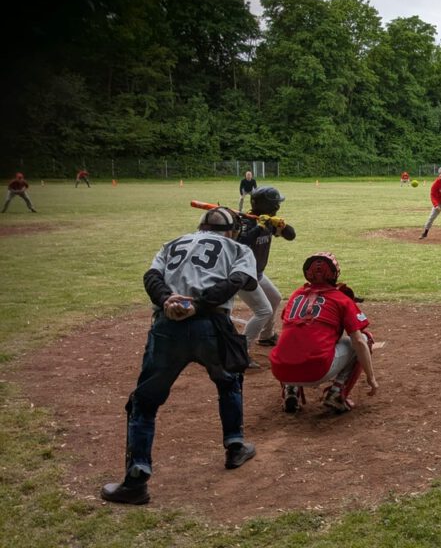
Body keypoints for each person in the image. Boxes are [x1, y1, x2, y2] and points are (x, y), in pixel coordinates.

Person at [100, 207, 259, 505]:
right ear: (231, 230)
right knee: (228, 382)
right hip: (212, 325)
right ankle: (235, 447)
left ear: (200, 226)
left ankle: (135, 482)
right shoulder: (238, 248)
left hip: (168, 327)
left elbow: (151, 277)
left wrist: (166, 299)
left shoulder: (172, 243)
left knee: (145, 403)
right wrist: (199, 305)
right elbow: (237, 282)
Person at [270, 252, 379, 413]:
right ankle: (336, 393)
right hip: (317, 370)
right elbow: (359, 342)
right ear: (334, 274)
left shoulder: (296, 295)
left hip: (280, 370)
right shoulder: (341, 298)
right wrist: (371, 378)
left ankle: (290, 390)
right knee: (364, 339)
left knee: (294, 338)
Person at [237, 186, 296, 355]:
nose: (278, 206)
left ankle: (266, 336)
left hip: (256, 273)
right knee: (263, 311)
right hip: (241, 275)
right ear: (270, 205)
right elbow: (241, 243)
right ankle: (241, 352)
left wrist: (282, 225)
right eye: (276, 203)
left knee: (274, 298)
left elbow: (291, 236)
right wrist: (259, 227)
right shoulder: (246, 222)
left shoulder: (268, 221)